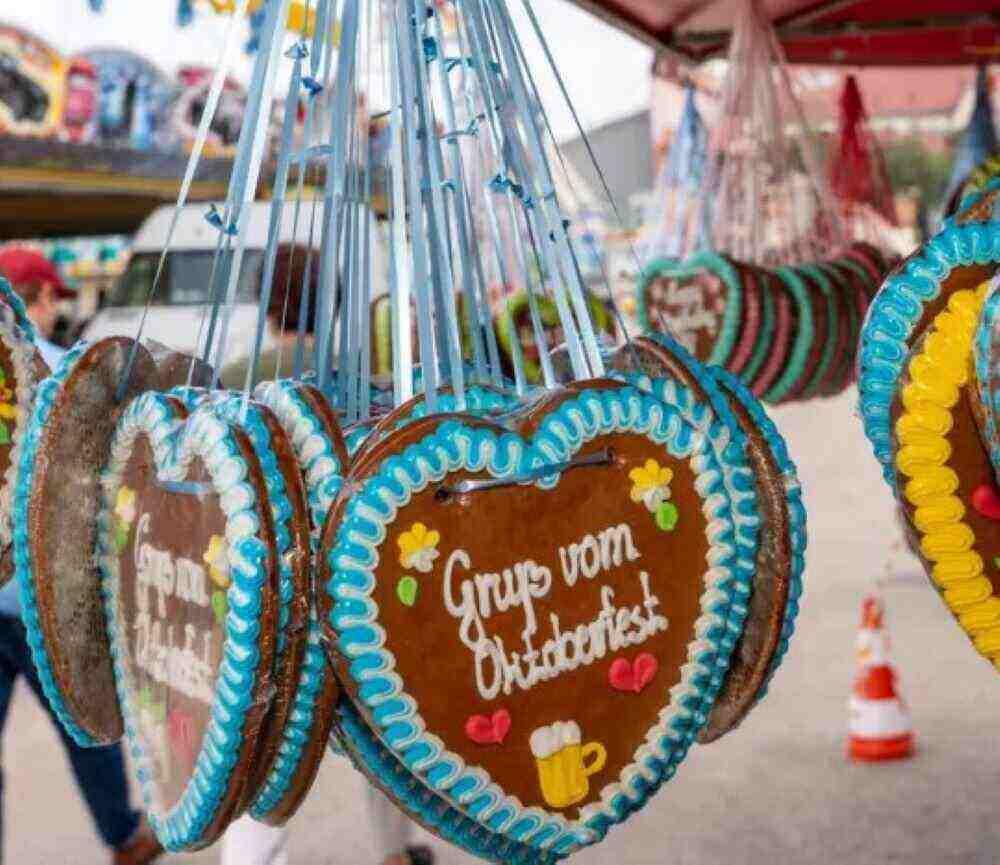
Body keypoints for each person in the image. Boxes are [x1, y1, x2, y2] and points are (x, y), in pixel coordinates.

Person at [218, 245, 432, 865]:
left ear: (264, 301)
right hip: (365, 592)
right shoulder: (368, 374)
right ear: (334, 299)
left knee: (263, 759)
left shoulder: (237, 377)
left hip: (275, 608)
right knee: (383, 732)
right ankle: (399, 851)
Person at [0, 247, 162, 865]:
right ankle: (123, 838)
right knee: (86, 722)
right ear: (34, 303)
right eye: (50, 302)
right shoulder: (64, 374)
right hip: (41, 598)